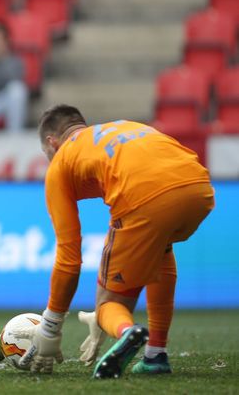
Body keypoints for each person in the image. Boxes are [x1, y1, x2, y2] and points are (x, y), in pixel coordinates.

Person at [18, 105, 215, 378]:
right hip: (200, 188)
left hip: (145, 199)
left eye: (46, 154)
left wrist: (51, 326)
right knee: (160, 248)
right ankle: (156, 354)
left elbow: (69, 258)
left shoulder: (61, 162)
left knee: (108, 304)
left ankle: (126, 330)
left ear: (52, 143)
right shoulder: (124, 127)